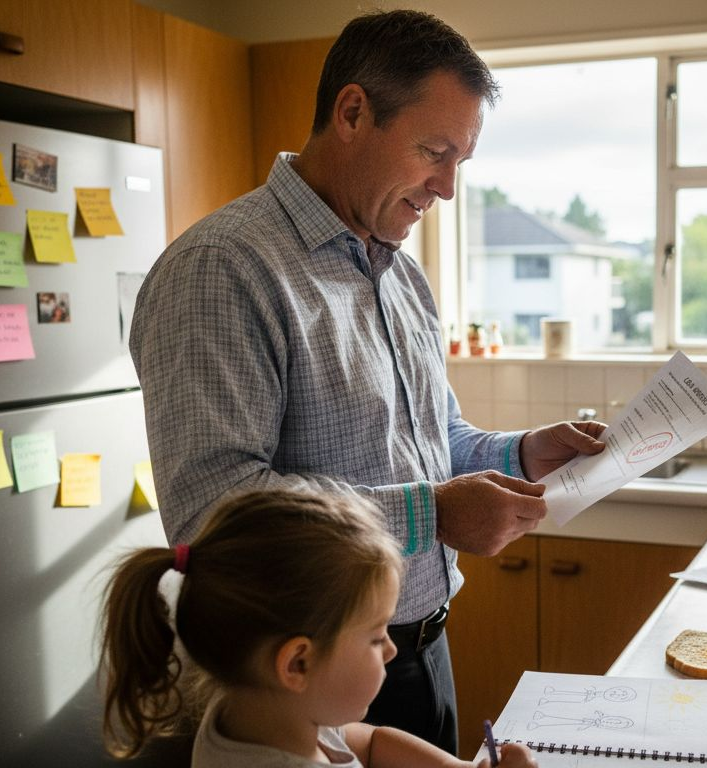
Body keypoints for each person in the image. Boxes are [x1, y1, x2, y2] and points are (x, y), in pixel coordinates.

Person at [128, 8, 606, 754]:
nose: (446, 187)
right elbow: (212, 515)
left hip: (416, 652)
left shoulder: (401, 274)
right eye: (434, 151)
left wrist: (520, 454)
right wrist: (434, 516)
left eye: (460, 162)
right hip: (294, 687)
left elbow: (432, 441)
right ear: (352, 112)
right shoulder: (223, 270)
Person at [99, 487, 537, 768]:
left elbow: (367, 742)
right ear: (298, 662)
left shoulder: (267, 715)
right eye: (375, 634)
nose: (389, 649)